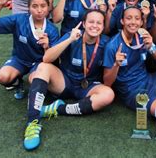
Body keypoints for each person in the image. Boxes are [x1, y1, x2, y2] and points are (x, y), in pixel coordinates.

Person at [22, 9, 114, 151]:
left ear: (103, 26)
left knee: (108, 95)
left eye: (98, 23)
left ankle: (59, 109)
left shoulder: (107, 43)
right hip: (65, 82)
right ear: (83, 23)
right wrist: (70, 39)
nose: (94, 25)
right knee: (43, 68)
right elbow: (47, 59)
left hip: (88, 86)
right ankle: (32, 123)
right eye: (91, 22)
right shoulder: (72, 36)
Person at [0, 0, 60, 99]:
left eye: (43, 6)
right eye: (35, 6)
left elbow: (52, 60)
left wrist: (47, 47)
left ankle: (35, 82)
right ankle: (17, 80)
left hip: (40, 63)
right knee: (3, 77)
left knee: (35, 81)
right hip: (20, 60)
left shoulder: (52, 30)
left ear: (48, 7)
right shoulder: (19, 20)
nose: (39, 10)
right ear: (28, 8)